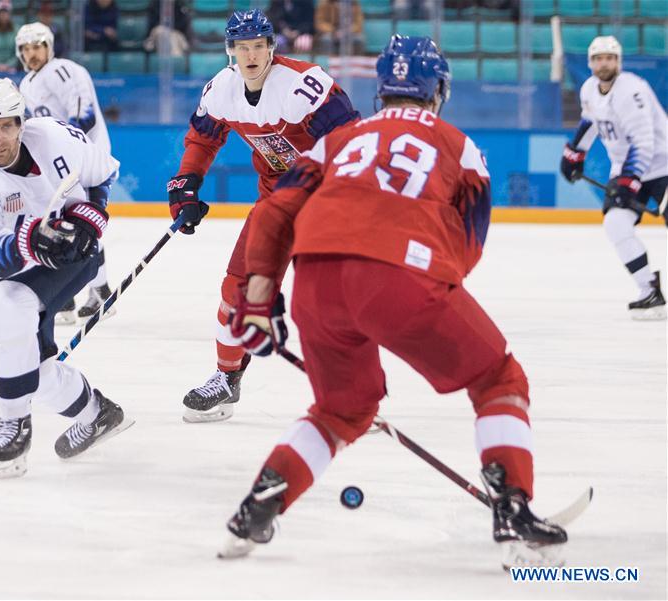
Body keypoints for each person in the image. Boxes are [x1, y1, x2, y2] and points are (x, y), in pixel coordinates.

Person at [218, 36, 568, 569]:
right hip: (402, 277)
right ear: (439, 90)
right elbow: (467, 242)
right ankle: (512, 507)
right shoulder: (458, 143)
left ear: (381, 90)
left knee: (341, 409)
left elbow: (273, 212)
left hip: (316, 280)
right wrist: (414, 301)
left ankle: (258, 506)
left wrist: (259, 295)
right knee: (499, 379)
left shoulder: (338, 139)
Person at [167, 9, 360, 423]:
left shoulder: (302, 85)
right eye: (242, 47)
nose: (250, 54)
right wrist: (185, 183)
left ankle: (355, 392)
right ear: (230, 51)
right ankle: (226, 377)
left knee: (336, 304)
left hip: (327, 203)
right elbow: (203, 138)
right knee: (235, 287)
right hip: (277, 203)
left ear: (271, 48)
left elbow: (351, 138)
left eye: (258, 45)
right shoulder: (222, 88)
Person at [0, 78, 128, 480]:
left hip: (69, 255)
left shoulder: (55, 137)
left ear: (21, 122)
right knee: (32, 368)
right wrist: (34, 238)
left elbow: (103, 174)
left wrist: (88, 220)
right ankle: (98, 413)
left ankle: (14, 427)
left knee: (10, 305)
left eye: (6, 125)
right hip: (6, 269)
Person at [560, 35, 667, 320]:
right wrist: (575, 153)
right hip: (627, 169)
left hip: (663, 166)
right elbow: (590, 122)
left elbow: (644, 142)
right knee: (616, 225)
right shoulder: (589, 89)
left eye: (609, 57)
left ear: (618, 61)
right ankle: (649, 291)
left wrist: (629, 180)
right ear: (591, 63)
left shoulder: (631, 91)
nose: (603, 63)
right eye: (598, 58)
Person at [17, 21, 115, 324]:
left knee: (79, 225)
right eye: (26, 48)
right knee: (62, 225)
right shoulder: (27, 84)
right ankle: (85, 295)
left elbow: (83, 115)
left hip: (84, 160)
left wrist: (66, 148)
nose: (33, 53)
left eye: (38, 46)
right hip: (59, 165)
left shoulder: (64, 70)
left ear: (49, 47)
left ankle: (91, 295)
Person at [0, 1, 18, 72]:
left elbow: (18, 52)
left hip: (13, 69)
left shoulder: (17, 30)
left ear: (10, 14)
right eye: (1, 13)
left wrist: (8, 65)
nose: (3, 15)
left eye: (6, 12)